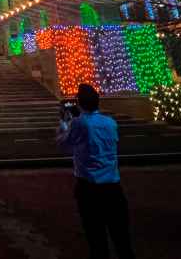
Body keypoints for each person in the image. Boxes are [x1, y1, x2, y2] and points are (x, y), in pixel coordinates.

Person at [56, 83, 134, 259]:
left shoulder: (80, 123)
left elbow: (63, 144)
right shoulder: (111, 123)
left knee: (97, 240)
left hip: (89, 189)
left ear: (79, 102)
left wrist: (63, 122)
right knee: (122, 239)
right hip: (114, 188)